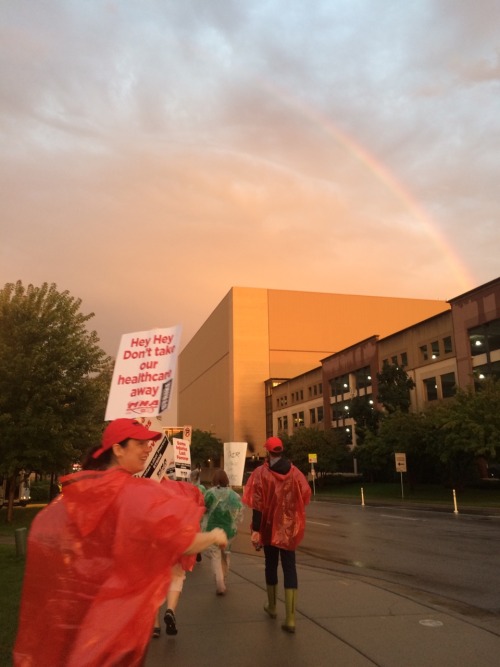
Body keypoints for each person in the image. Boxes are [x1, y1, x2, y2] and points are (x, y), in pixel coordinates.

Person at [13, 418, 227, 667]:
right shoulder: (130, 492)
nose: (149, 448)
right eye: (140, 443)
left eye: (149, 443)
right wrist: (214, 536)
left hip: (83, 611)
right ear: (118, 449)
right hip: (114, 617)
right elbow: (179, 541)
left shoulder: (85, 487)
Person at [242, 436, 311, 633]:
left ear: (268, 451)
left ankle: (272, 607)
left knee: (270, 565)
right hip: (289, 529)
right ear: (281, 451)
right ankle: (291, 618)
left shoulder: (260, 473)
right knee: (290, 568)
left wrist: (256, 530)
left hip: (269, 527)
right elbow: (305, 495)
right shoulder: (295, 472)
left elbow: (257, 505)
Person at [203, 469, 243, 595]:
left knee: (215, 556)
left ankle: (220, 583)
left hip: (212, 530)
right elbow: (239, 513)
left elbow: (204, 509)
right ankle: (224, 579)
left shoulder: (209, 494)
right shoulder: (234, 495)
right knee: (226, 555)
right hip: (229, 531)